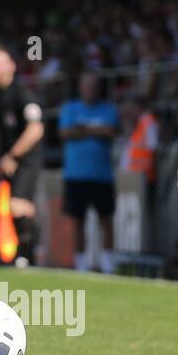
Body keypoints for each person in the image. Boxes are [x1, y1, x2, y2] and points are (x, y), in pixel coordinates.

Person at [0, 44, 45, 261]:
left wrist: (12, 156)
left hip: (26, 159)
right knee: (13, 206)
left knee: (19, 205)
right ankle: (25, 254)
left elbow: (36, 129)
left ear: (11, 66)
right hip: (7, 158)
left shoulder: (22, 93)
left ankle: (29, 255)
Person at [58, 72, 119, 272]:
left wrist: (83, 129)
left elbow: (110, 131)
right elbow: (66, 132)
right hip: (76, 175)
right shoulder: (70, 108)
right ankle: (81, 264)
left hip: (102, 176)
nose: (90, 90)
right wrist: (95, 130)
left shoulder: (108, 109)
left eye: (94, 86)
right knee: (78, 221)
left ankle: (108, 263)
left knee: (106, 219)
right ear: (80, 88)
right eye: (87, 85)